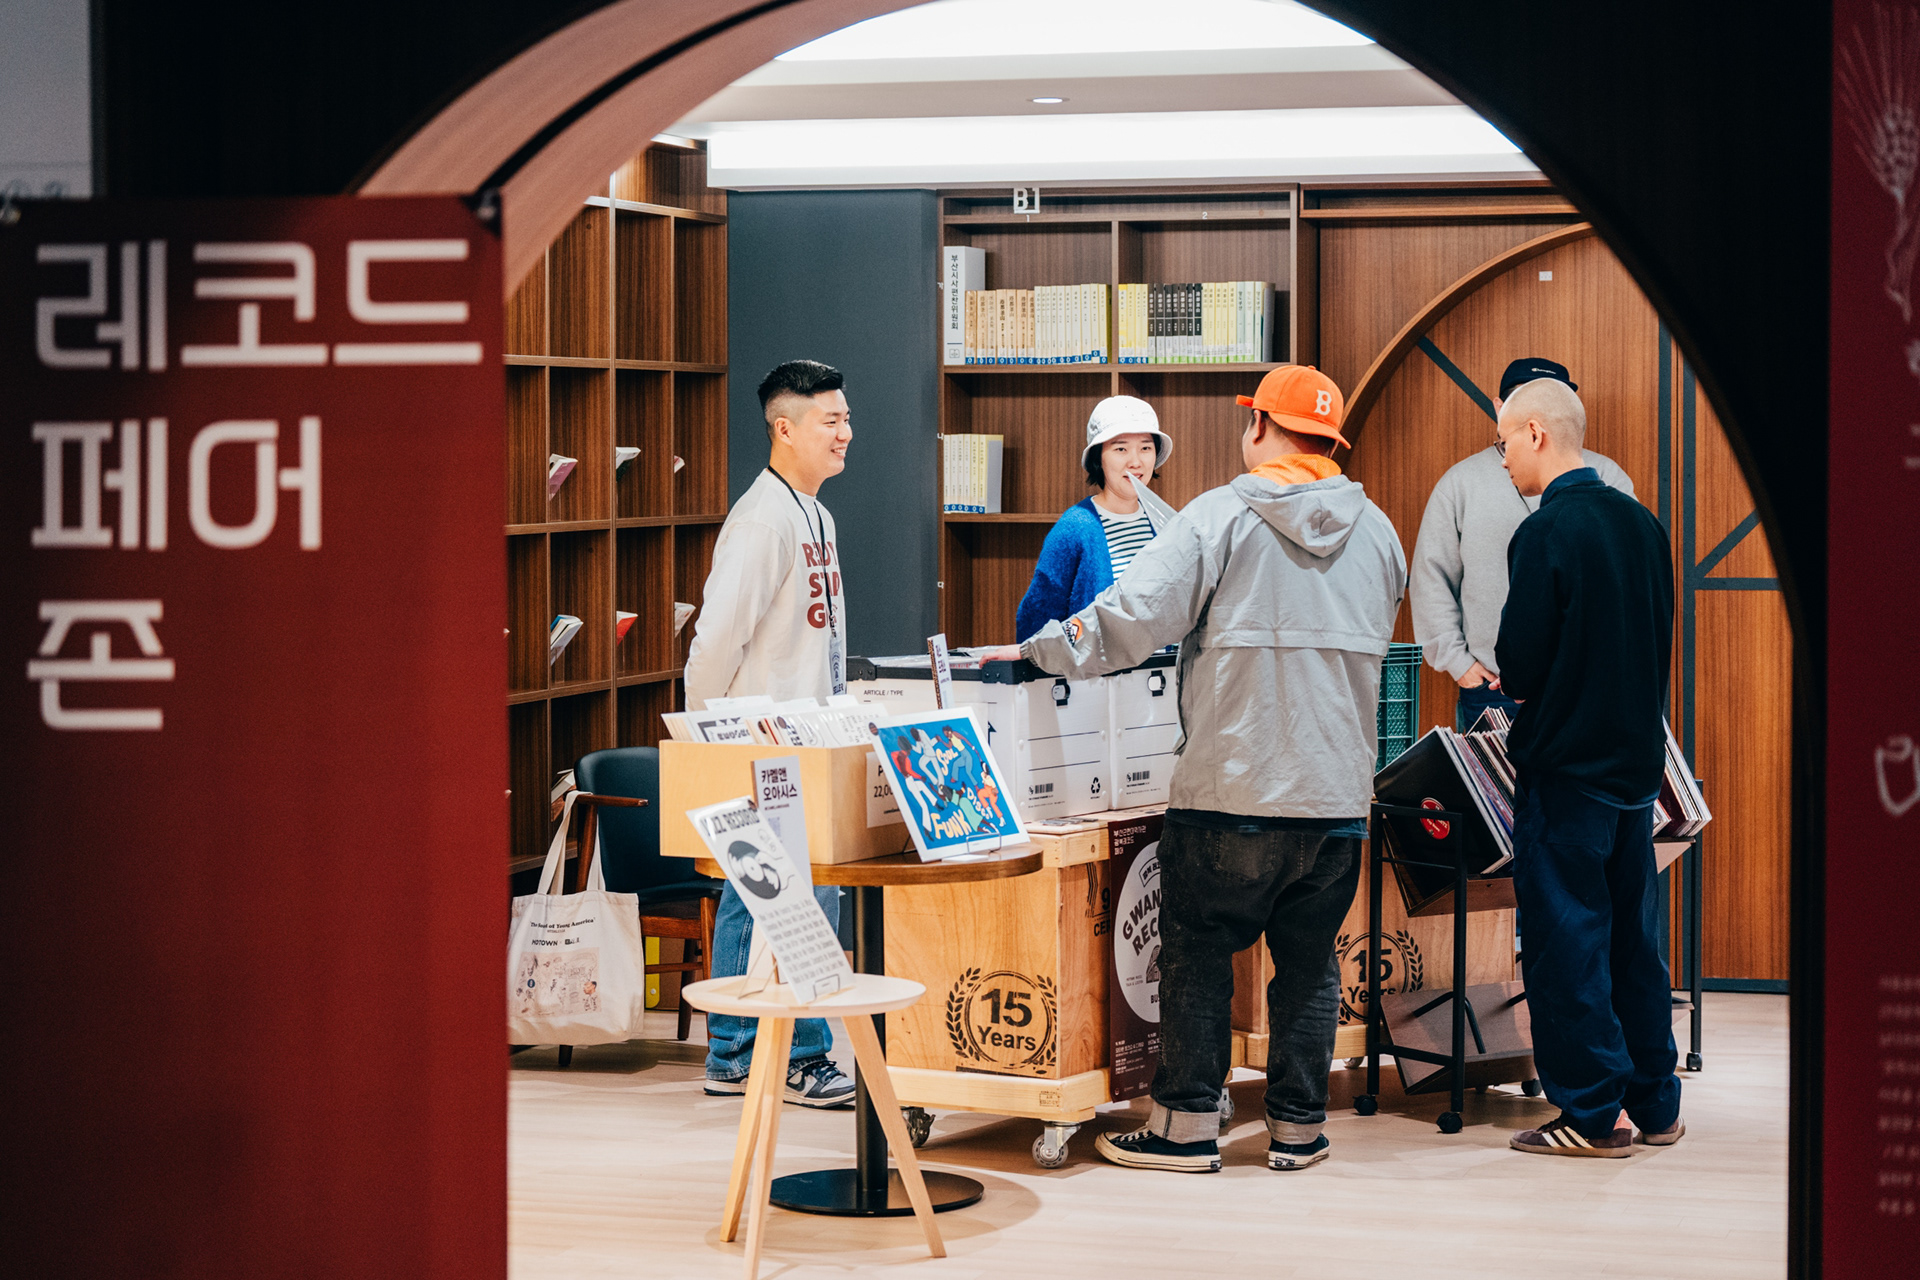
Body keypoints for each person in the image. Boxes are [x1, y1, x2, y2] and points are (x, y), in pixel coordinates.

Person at [986, 366, 1405, 1173]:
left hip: (1229, 790)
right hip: (1335, 799)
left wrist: (1037, 651)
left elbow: (1129, 621)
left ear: (1260, 428)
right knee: (1309, 966)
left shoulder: (1219, 517)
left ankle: (1184, 1129)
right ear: (1330, 443)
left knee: (1197, 954)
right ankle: (1298, 1129)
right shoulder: (1381, 532)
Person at [1491, 377, 1683, 1158]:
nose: (1503, 458)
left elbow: (1519, 663)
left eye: (1505, 442)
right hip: (1636, 772)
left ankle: (1593, 1116)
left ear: (1537, 433)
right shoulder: (1643, 523)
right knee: (1633, 943)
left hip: (1566, 770)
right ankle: (1658, 1105)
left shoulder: (1546, 530)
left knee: (1566, 943)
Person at [683, 358, 856, 1108]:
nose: (845, 433)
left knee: (774, 896)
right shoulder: (761, 519)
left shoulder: (816, 513)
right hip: (760, 744)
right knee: (780, 896)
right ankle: (776, 1053)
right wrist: (709, 740)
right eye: (830, 421)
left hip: (810, 739)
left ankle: (741, 1052)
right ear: (784, 429)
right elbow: (714, 642)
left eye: (846, 419)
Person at [1410, 357, 1635, 731]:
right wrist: (1459, 664)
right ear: (1500, 407)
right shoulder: (1459, 484)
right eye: (1521, 400)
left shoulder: (1610, 480)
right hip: (1492, 688)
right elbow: (1431, 578)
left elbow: (1630, 585)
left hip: (1587, 689)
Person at [1013, 395, 1173, 641]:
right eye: (1121, 449)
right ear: (1099, 457)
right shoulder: (1075, 527)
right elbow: (1036, 623)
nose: (1135, 462)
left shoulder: (1165, 522)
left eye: (1145, 448)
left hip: (1162, 664)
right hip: (1096, 666)